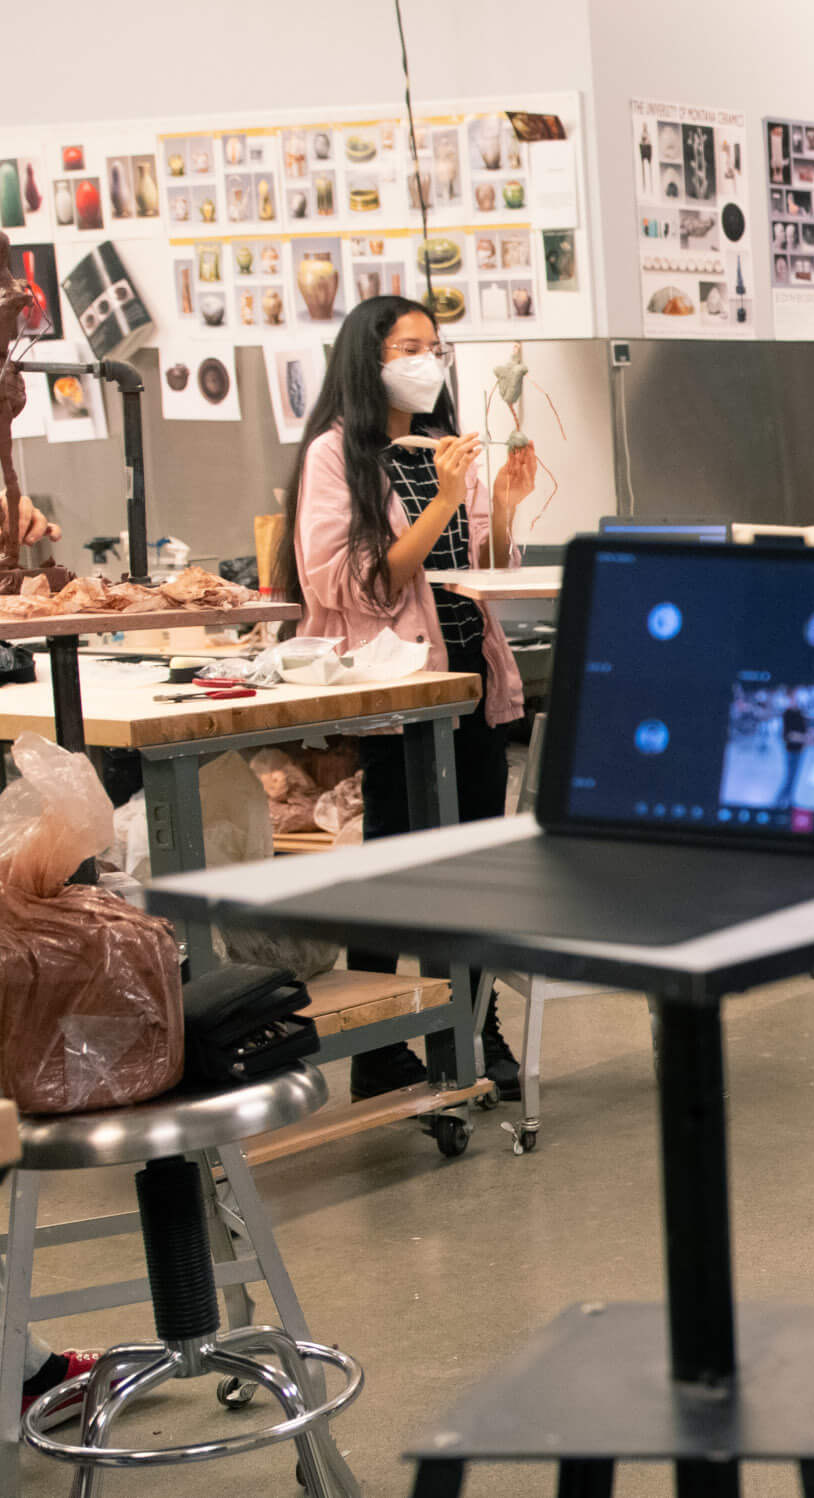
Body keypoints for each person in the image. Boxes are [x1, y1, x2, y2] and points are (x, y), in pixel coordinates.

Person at [277, 295, 538, 1101]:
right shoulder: (335, 455)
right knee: (398, 858)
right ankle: (384, 1043)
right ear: (369, 358)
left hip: (473, 676)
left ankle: (473, 1019)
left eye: (436, 345)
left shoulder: (442, 450)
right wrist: (444, 504)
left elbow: (479, 568)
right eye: (409, 347)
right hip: (398, 684)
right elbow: (348, 580)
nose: (428, 360)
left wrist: (503, 502)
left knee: (475, 865)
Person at [777, 698, 814, 808]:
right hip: (791, 750)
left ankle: (789, 800)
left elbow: (804, 729)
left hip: (800, 750)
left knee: (793, 778)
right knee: (789, 778)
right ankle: (778, 801)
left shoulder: (800, 712)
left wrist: (807, 737)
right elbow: (788, 735)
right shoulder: (787, 714)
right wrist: (804, 738)